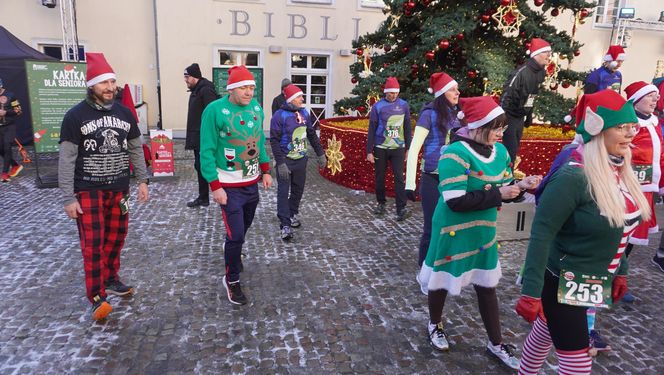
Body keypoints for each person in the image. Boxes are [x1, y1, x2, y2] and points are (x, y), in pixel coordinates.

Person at [516, 90, 650, 375]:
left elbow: (619, 228)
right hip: (563, 279)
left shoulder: (618, 171)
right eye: (620, 127)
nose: (629, 135)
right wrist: (530, 290)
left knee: (545, 333)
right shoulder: (573, 177)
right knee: (577, 362)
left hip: (590, 279)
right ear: (597, 130)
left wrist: (621, 269)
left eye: (631, 127)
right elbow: (542, 233)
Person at [418, 96, 541, 370]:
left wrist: (521, 186)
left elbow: (506, 190)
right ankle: (434, 323)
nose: (501, 133)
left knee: (487, 285)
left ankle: (496, 343)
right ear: (477, 125)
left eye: (502, 128)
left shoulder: (501, 154)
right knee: (440, 280)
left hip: (483, 230)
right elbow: (455, 200)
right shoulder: (454, 153)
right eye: (495, 127)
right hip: (452, 228)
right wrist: (498, 193)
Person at [58, 52, 149, 321]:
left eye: (112, 82)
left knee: (116, 237)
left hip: (120, 189)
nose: (109, 88)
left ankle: (110, 277)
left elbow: (135, 149)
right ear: (91, 86)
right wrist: (67, 197)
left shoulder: (124, 113)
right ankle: (96, 294)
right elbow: (67, 158)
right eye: (103, 83)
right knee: (93, 244)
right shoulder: (75, 116)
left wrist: (142, 180)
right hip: (88, 190)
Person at [199, 65, 273, 305]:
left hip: (251, 183)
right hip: (228, 186)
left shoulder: (256, 108)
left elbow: (259, 140)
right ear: (231, 88)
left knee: (243, 227)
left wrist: (265, 169)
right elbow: (207, 150)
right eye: (244, 87)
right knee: (236, 235)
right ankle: (231, 280)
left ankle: (233, 245)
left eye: (252, 87)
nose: (249, 92)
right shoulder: (214, 110)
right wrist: (215, 186)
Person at [405, 72, 461, 282]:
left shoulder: (458, 115)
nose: (457, 92)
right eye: (453, 89)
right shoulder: (428, 114)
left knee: (450, 228)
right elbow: (414, 149)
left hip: (453, 178)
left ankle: (443, 270)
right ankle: (423, 272)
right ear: (442, 93)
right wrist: (410, 183)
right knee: (431, 228)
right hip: (431, 177)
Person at [270, 84, 326, 241]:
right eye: (300, 96)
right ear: (291, 99)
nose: (303, 99)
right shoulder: (279, 116)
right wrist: (280, 163)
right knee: (283, 192)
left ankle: (292, 213)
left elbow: (312, 135)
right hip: (286, 161)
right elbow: (273, 141)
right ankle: (285, 224)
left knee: (297, 190)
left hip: (301, 160)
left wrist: (320, 154)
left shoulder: (304, 113)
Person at [623, 82, 664, 276]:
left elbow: (661, 156)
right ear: (636, 100)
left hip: (646, 190)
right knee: (616, 236)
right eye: (650, 96)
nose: (655, 99)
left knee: (631, 238)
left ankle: (617, 276)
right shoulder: (627, 123)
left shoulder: (654, 124)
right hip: (625, 188)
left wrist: (662, 184)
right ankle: (602, 279)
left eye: (656, 96)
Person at [366, 77, 412, 221]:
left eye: (396, 93)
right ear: (385, 92)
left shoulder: (404, 105)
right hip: (381, 147)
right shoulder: (378, 106)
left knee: (399, 177)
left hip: (398, 148)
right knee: (380, 177)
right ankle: (381, 203)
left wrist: (408, 148)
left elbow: (407, 127)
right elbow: (372, 128)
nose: (393, 95)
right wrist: (369, 151)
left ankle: (401, 208)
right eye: (391, 93)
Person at [500, 38, 551, 163]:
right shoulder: (521, 73)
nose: (549, 56)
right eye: (546, 53)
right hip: (510, 116)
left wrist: (528, 114)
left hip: (520, 117)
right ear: (536, 54)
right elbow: (507, 95)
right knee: (509, 152)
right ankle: (506, 179)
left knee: (514, 149)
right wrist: (502, 119)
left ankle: (509, 176)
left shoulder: (540, 72)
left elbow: (532, 95)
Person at [184, 63, 218, 208]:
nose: (185, 80)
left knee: (205, 166)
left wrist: (209, 136)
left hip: (203, 138)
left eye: (187, 77)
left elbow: (212, 114)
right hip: (197, 137)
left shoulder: (206, 90)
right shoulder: (196, 90)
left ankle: (216, 194)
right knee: (199, 166)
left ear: (194, 77)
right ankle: (203, 197)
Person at [0, 77, 24, 182]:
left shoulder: (10, 95)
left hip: (9, 126)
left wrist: (6, 113)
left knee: (7, 147)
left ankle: (4, 173)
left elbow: (18, 110)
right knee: (1, 149)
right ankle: (15, 165)